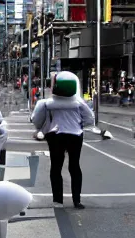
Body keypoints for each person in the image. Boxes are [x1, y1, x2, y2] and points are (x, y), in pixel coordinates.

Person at [31, 71, 94, 209]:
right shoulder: (79, 103)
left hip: (55, 136)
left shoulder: (46, 103)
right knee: (75, 166)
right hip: (75, 135)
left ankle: (58, 200)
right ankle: (77, 200)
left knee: (56, 167)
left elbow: (36, 120)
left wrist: (41, 129)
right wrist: (79, 124)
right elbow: (90, 119)